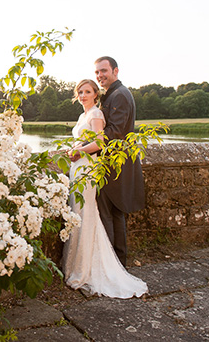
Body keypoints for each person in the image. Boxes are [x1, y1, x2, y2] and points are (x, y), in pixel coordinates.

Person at [60, 78, 147, 298]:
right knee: (77, 214)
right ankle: (76, 265)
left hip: (87, 170)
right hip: (77, 169)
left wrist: (79, 152)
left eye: (87, 91)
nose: (82, 95)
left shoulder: (97, 115)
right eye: (80, 91)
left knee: (87, 215)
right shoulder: (83, 115)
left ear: (96, 95)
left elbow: (100, 142)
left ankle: (88, 268)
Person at [94, 56, 145, 267]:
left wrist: (87, 146)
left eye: (103, 71)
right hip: (113, 163)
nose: (100, 75)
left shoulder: (120, 95)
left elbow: (114, 132)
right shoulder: (114, 94)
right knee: (114, 213)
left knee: (109, 214)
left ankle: (114, 265)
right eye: (97, 72)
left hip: (114, 165)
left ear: (115, 70)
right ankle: (117, 264)